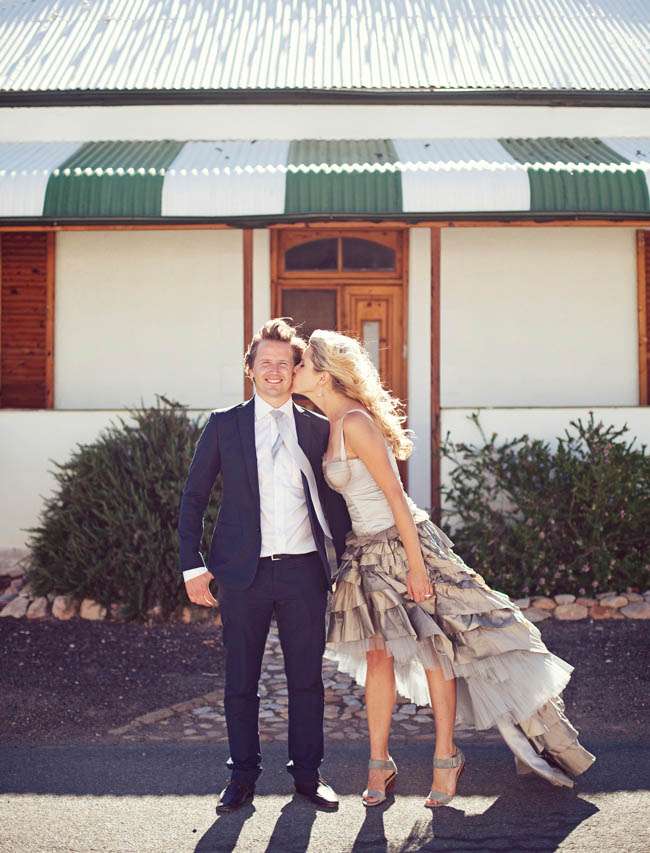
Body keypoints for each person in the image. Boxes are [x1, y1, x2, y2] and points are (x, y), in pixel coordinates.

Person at [292, 328, 596, 808]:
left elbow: (397, 498)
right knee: (377, 657)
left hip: (405, 545)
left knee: (436, 649)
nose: (294, 370)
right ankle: (379, 763)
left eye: (302, 363)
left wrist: (417, 569)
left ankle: (446, 758)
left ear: (324, 375)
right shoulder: (329, 422)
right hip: (365, 553)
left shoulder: (355, 422)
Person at [178, 318, 351, 813]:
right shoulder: (224, 425)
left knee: (307, 681)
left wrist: (349, 561)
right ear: (250, 368)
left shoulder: (318, 428)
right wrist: (192, 566)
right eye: (265, 362)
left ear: (296, 370)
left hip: (303, 572)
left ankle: (308, 776)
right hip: (240, 574)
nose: (274, 371)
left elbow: (336, 504)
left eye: (284, 363)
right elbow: (193, 498)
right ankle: (242, 777)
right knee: (240, 681)